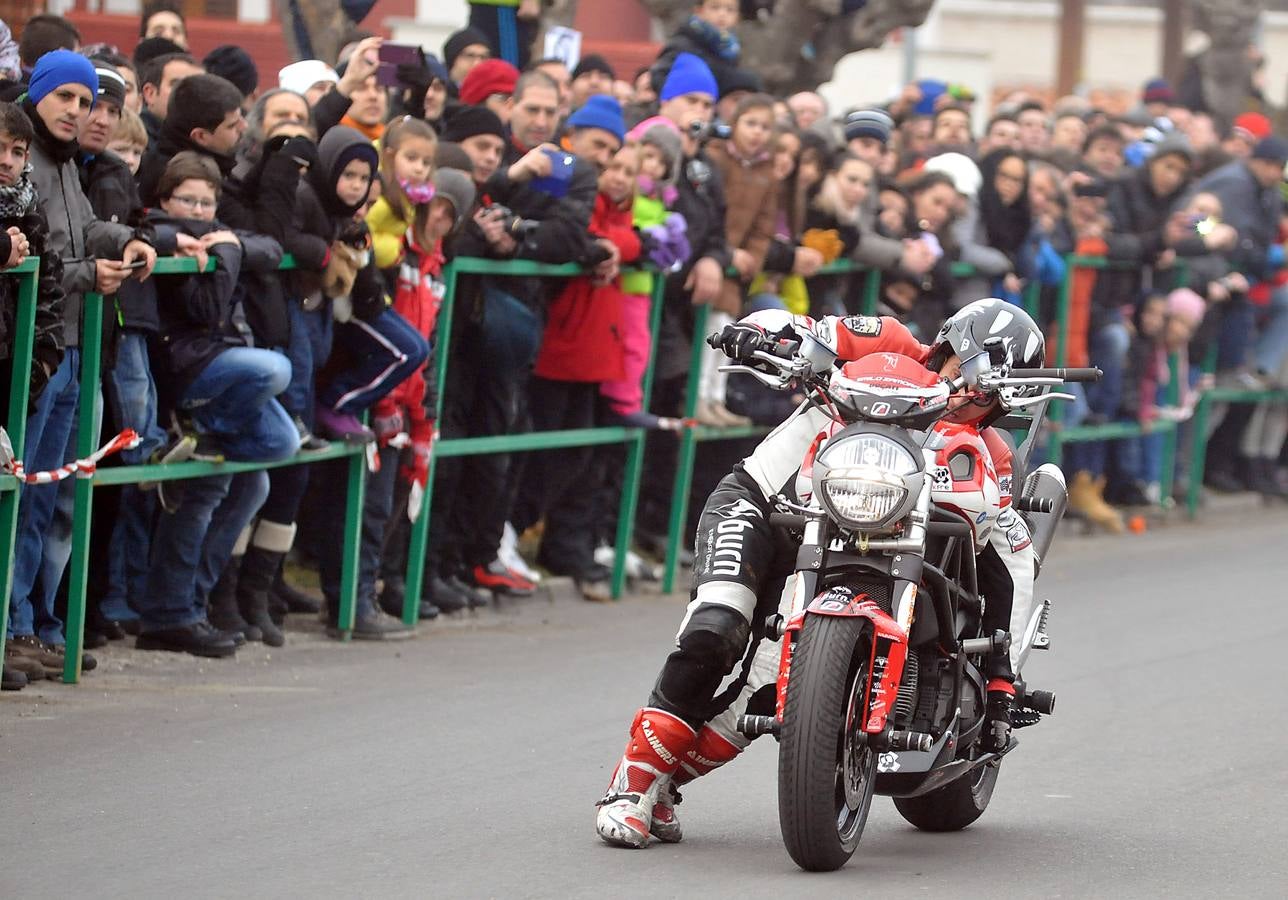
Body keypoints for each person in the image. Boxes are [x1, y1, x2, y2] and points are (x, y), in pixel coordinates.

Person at [595, 299, 1045, 848]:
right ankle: (630, 781)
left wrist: (1005, 666)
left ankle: (661, 784)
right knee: (718, 625)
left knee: (767, 693)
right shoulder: (887, 339)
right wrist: (759, 333)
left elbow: (1014, 559)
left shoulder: (984, 451)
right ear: (948, 349)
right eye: (966, 378)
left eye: (989, 400)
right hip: (766, 504)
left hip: (856, 531)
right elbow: (802, 327)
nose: (969, 400)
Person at [133, 151, 296, 658]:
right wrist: (225, 254)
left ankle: (188, 608)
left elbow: (272, 246)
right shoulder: (159, 232)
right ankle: (171, 613)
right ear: (164, 199)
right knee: (275, 370)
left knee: (272, 455)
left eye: (207, 202)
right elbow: (204, 311)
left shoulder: (218, 233)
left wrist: (230, 244)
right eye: (188, 200)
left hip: (219, 370)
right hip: (186, 367)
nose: (199, 211)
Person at [0, 100, 67, 683]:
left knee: (17, 500)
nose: (6, 162)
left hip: (14, 369)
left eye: (17, 152)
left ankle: (11, 629)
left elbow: (47, 285)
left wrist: (42, 358)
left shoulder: (29, 207)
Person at [137, 51, 202, 146]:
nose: (190, 93)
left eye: (198, 87)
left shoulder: (211, 140)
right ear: (150, 93)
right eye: (178, 85)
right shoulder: (132, 141)